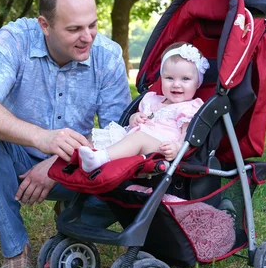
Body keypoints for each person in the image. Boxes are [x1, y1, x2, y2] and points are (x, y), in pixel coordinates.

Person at [0, 0, 131, 268]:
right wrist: (43, 138)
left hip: (73, 164)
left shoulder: (108, 55)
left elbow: (118, 131)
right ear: (45, 25)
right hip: (17, 159)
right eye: (74, 29)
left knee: (126, 173)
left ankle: (71, 224)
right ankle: (15, 246)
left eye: (92, 25)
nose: (87, 37)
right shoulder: (15, 39)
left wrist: (59, 161)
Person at [79, 42, 208, 172]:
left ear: (198, 82)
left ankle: (98, 159)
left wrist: (177, 147)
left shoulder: (189, 107)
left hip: (161, 146)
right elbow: (135, 123)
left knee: (139, 137)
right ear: (161, 79)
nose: (176, 84)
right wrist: (134, 118)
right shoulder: (152, 99)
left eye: (185, 79)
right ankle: (81, 157)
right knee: (101, 135)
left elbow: (189, 134)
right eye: (169, 78)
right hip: (135, 138)